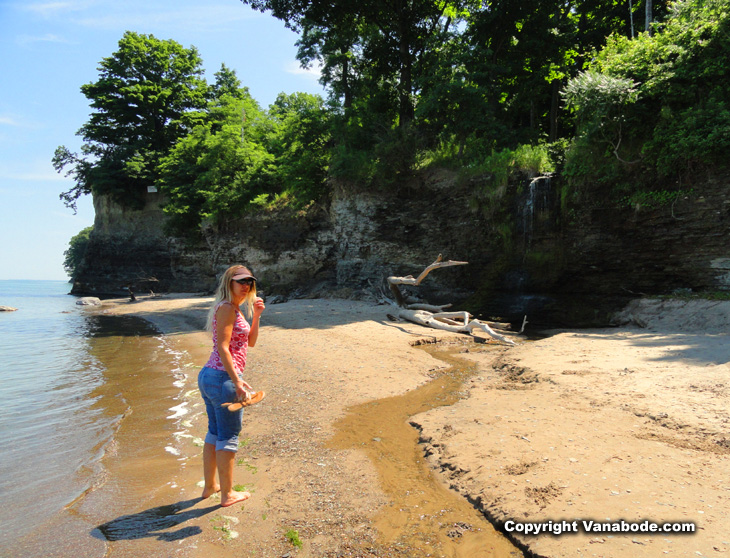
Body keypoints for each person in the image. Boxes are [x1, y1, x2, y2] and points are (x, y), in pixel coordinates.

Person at [197, 265, 266, 507]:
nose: (246, 285)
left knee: (214, 432)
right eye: (240, 281)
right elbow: (223, 348)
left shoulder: (233, 309)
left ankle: (210, 486)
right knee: (228, 436)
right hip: (221, 378)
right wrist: (237, 380)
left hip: (210, 376)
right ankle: (227, 495)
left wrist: (256, 316)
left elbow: (251, 343)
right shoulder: (226, 308)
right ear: (229, 283)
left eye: (249, 281)